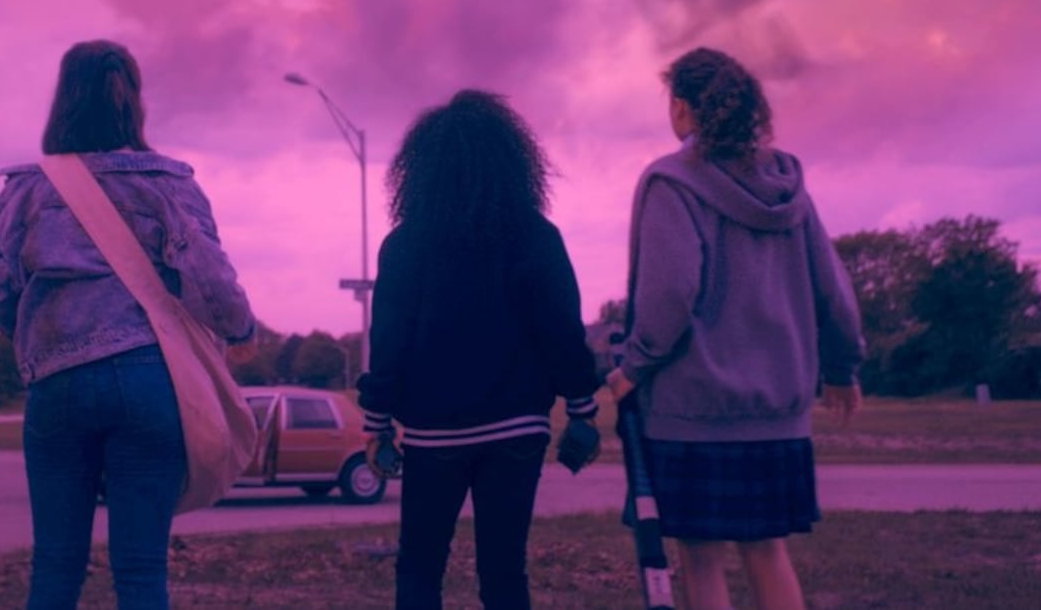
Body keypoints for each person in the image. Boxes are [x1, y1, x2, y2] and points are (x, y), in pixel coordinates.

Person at [0, 39, 255, 610]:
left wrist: (33, 332)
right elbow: (215, 285)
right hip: (151, 380)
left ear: (63, 100)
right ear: (134, 102)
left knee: (54, 566)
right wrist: (241, 331)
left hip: (57, 382)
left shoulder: (26, 190)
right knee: (142, 569)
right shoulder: (169, 185)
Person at [605, 46, 865, 610]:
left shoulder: (671, 182)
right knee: (768, 553)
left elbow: (670, 295)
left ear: (682, 110)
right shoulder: (788, 185)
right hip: (778, 413)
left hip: (694, 411)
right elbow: (833, 289)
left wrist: (632, 367)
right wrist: (843, 369)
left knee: (701, 559)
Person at [357, 89, 601, 610]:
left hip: (432, 433)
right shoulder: (538, 237)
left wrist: (377, 425)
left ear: (420, 170)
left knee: (419, 568)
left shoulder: (404, 245)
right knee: (505, 570)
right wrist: (582, 411)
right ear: (514, 162)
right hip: (518, 428)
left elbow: (388, 342)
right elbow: (562, 331)